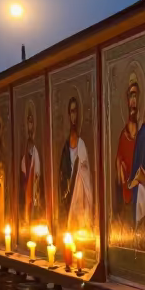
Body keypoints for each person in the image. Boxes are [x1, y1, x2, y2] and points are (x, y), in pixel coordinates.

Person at [114, 75, 145, 251]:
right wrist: (119, 172)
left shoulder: (144, 135)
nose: (132, 101)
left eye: (135, 95)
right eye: (130, 96)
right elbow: (117, 185)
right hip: (126, 208)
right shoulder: (122, 138)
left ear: (140, 99)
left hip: (141, 207)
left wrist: (143, 179)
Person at [58, 96, 93, 232]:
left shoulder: (81, 145)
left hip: (79, 199)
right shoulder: (66, 148)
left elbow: (87, 177)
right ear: (69, 115)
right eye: (71, 112)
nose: (74, 115)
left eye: (75, 111)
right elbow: (62, 174)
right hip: (68, 198)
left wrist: (79, 172)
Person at [19, 104, 44, 223]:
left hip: (34, 183)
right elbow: (23, 170)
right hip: (27, 183)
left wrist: (36, 179)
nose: (30, 125)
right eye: (28, 122)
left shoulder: (36, 150)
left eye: (31, 122)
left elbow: (37, 170)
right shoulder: (24, 150)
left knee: (34, 203)